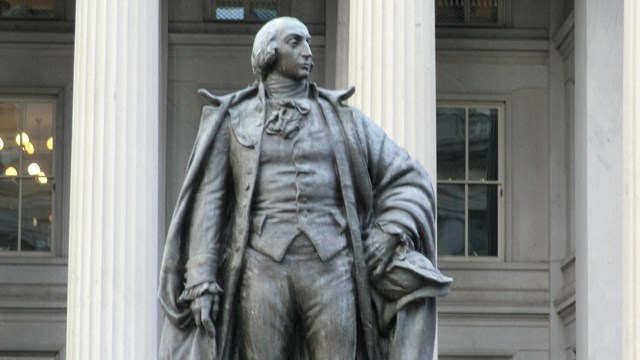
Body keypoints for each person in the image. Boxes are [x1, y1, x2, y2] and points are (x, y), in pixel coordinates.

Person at [158, 16, 451, 360]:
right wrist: (202, 279)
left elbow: (408, 175)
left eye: (309, 42)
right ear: (269, 54)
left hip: (333, 266)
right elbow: (210, 201)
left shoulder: (344, 120)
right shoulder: (234, 120)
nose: (308, 52)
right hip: (261, 268)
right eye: (295, 43)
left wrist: (390, 230)